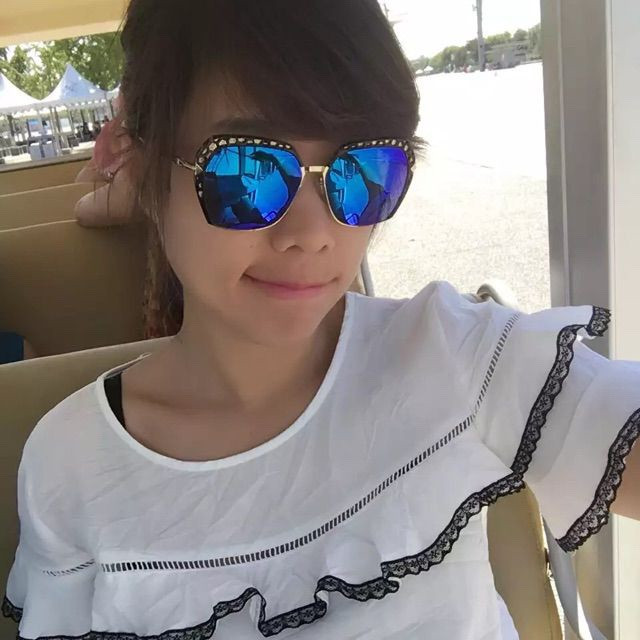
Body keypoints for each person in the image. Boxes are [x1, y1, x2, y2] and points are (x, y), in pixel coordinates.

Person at [2, 1, 640, 638]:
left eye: (365, 171)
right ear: (141, 165)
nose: (313, 234)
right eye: (246, 170)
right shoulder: (71, 466)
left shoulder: (454, 353)